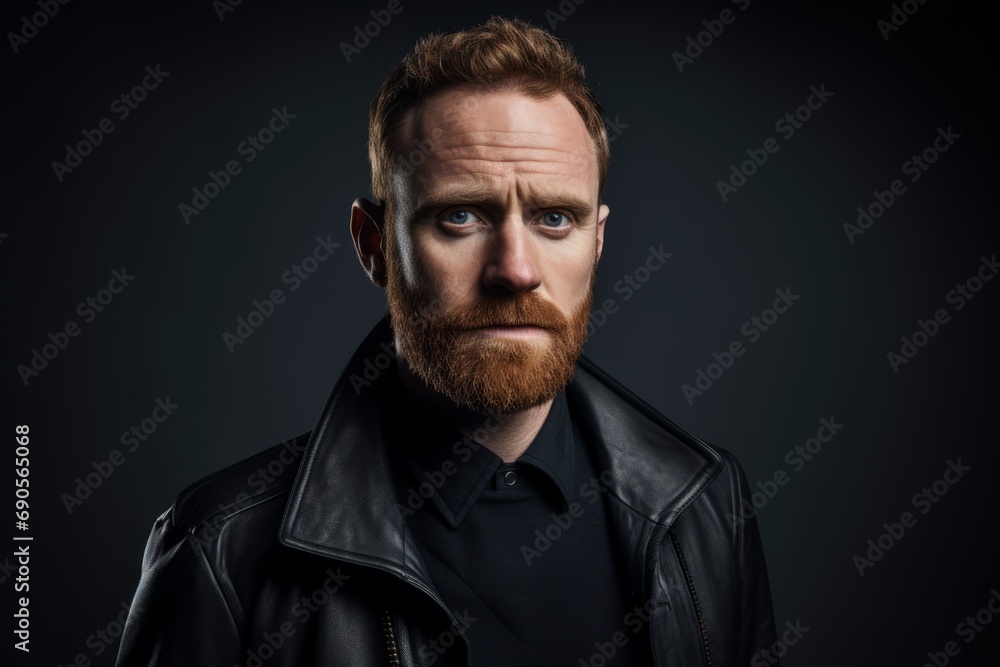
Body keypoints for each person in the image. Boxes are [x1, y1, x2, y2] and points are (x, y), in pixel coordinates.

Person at [116, 16, 777, 667]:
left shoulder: (707, 504)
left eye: (554, 218)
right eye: (460, 215)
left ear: (597, 243)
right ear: (374, 246)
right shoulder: (221, 551)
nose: (515, 269)